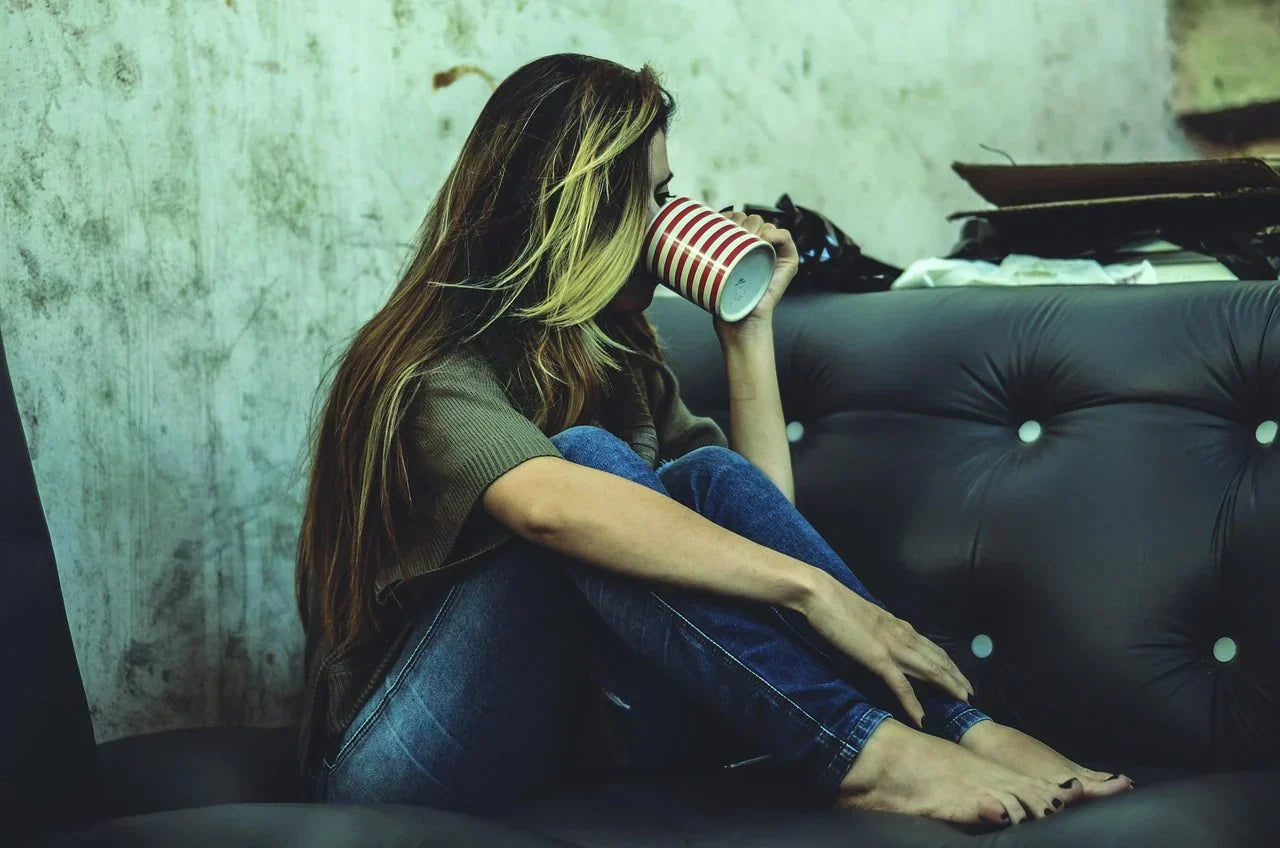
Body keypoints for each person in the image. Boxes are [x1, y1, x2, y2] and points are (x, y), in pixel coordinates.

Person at [293, 53, 1134, 829]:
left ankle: (960, 727)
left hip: (569, 737)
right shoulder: (426, 364)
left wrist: (747, 332)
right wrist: (818, 592)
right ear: (580, 209)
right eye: (652, 198)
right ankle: (862, 752)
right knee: (586, 472)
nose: (670, 220)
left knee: (706, 477)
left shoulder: (613, 354)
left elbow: (753, 517)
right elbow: (551, 507)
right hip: (396, 759)